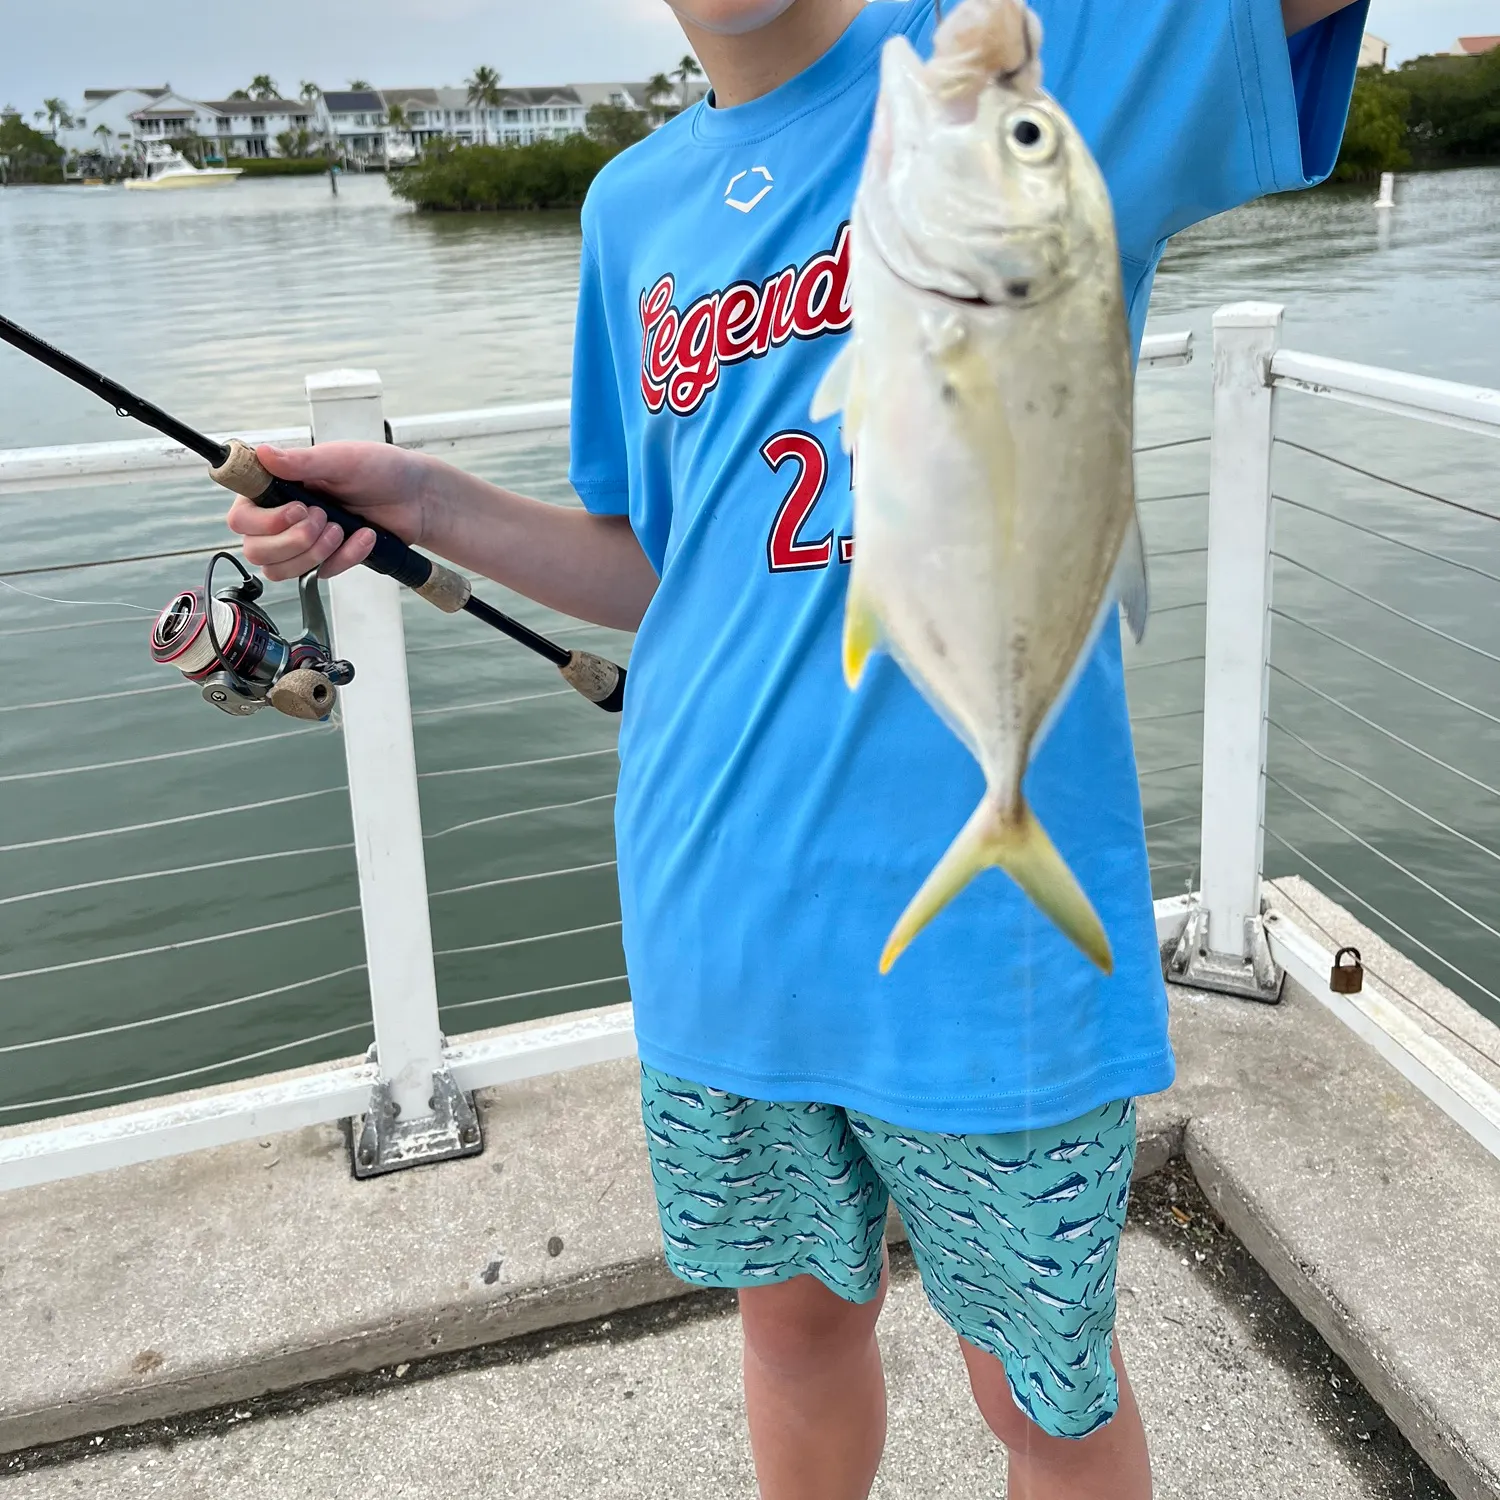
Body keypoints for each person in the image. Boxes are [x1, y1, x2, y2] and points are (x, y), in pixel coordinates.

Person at [226, 2, 1366, 1494]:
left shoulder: (1020, 61)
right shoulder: (632, 206)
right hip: (719, 911)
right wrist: (426, 504)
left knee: (1045, 1401)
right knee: (794, 1327)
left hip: (986, 940)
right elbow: (668, 561)